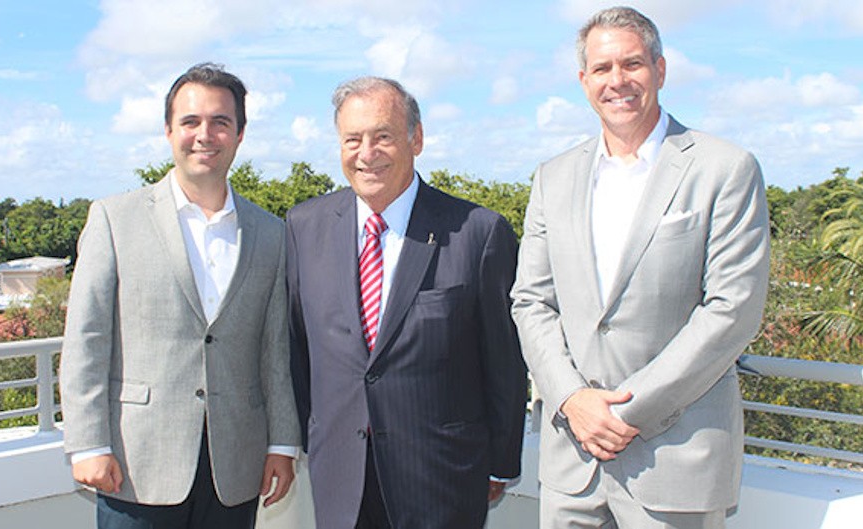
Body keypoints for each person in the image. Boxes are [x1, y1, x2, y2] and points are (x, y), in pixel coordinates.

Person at [511, 6, 770, 528]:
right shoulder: (552, 177)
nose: (618, 81)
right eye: (603, 69)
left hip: (677, 462)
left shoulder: (725, 168)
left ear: (661, 69)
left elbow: (732, 311)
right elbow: (531, 301)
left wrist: (626, 413)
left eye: (632, 64)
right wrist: (573, 401)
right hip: (571, 466)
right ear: (584, 80)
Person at [60, 62, 300, 529]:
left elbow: (276, 350)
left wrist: (282, 445)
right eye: (190, 122)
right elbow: (86, 338)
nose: (204, 135)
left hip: (235, 467)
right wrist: (88, 444)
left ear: (240, 134)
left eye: (220, 122)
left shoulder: (272, 234)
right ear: (169, 130)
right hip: (135, 464)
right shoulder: (114, 219)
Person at [287, 76, 528, 528]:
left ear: (416, 139)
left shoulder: (478, 233)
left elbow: (504, 363)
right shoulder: (304, 226)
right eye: (352, 139)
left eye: (383, 136)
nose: (367, 153)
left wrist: (501, 461)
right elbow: (298, 348)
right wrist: (312, 440)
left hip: (442, 481)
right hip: (340, 478)